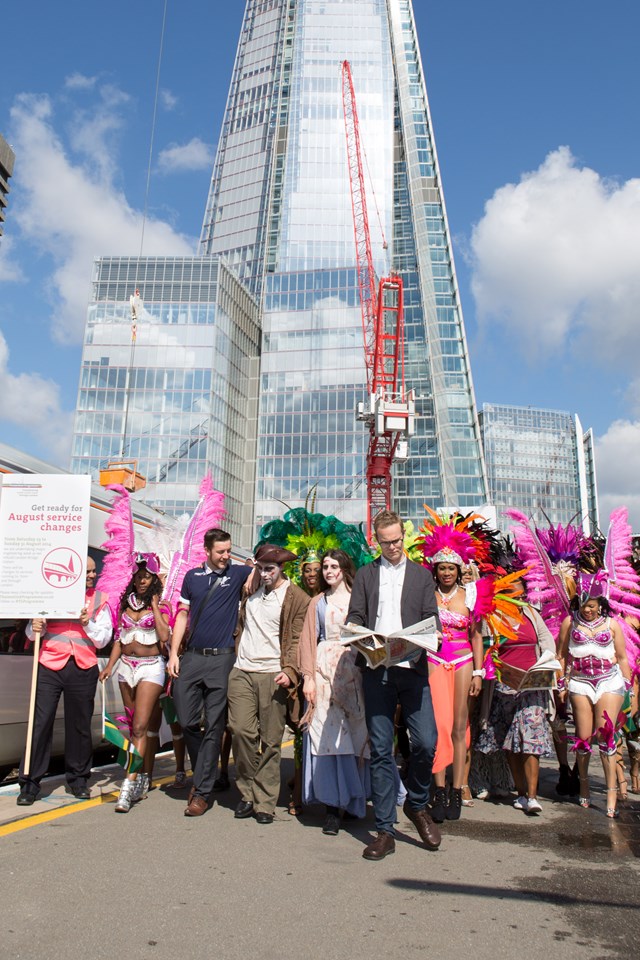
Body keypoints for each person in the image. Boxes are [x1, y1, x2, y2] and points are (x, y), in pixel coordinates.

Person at [347, 510, 442, 861]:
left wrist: (432, 637)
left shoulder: (421, 576)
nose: (392, 547)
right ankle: (385, 830)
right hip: (377, 670)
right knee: (382, 751)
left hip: (413, 668)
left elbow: (432, 620)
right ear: (377, 541)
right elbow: (355, 616)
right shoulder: (365, 574)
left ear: (404, 536)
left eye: (397, 540)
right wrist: (360, 636)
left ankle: (416, 804)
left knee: (426, 743)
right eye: (386, 542)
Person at [167, 528, 253, 817]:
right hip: (191, 658)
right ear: (207, 551)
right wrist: (173, 654)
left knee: (214, 726)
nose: (226, 556)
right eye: (220, 552)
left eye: (228, 551)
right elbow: (181, 615)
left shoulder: (239, 573)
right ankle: (204, 771)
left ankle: (201, 792)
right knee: (187, 720)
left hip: (223, 660)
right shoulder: (192, 578)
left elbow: (264, 568)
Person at [17, 557, 112, 805]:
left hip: (83, 666)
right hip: (49, 665)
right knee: (41, 722)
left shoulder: (101, 599)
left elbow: (103, 639)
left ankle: (78, 779)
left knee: (80, 725)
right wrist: (34, 625)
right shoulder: (47, 593)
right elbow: (30, 632)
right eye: (88, 571)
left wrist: (87, 624)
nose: (93, 575)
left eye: (94, 571)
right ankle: (29, 783)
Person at [228, 544, 309, 824]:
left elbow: (297, 638)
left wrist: (290, 671)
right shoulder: (251, 591)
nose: (264, 574)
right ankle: (247, 792)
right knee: (240, 731)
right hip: (242, 670)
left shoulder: (296, 597)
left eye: (269, 569)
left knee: (271, 740)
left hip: (272, 673)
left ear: (281, 569)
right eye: (260, 568)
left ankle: (264, 802)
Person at [299, 549, 370, 835]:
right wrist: (308, 678)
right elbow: (307, 640)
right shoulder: (318, 602)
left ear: (344, 568)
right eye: (325, 567)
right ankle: (331, 807)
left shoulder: (360, 597)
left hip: (354, 670)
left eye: (333, 566)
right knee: (327, 735)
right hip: (324, 669)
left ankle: (354, 800)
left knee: (355, 735)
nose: (328, 571)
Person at [99, 554, 170, 812]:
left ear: (154, 580)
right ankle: (139, 775)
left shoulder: (161, 604)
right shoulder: (124, 604)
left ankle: (127, 787)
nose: (142, 580)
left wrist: (154, 606)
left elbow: (163, 636)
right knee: (131, 728)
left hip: (151, 668)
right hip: (125, 668)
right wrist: (109, 666)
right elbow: (119, 639)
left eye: (147, 576)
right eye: (139, 575)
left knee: (140, 727)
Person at [476, 586, 555, 814]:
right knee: (510, 741)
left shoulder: (531, 613)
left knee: (531, 738)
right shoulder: (493, 618)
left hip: (532, 686)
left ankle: (532, 796)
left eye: (522, 596)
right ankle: (520, 793)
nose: (519, 600)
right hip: (504, 687)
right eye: (514, 597)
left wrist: (547, 661)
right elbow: (486, 647)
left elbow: (546, 640)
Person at [557, 579, 633, 818]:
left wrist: (629, 688)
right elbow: (561, 655)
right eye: (583, 605)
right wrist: (561, 683)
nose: (587, 610)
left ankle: (611, 792)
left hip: (608, 681)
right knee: (582, 738)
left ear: (600, 603)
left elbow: (621, 658)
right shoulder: (570, 622)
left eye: (591, 605)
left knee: (607, 736)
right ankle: (584, 782)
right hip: (580, 682)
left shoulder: (612, 625)